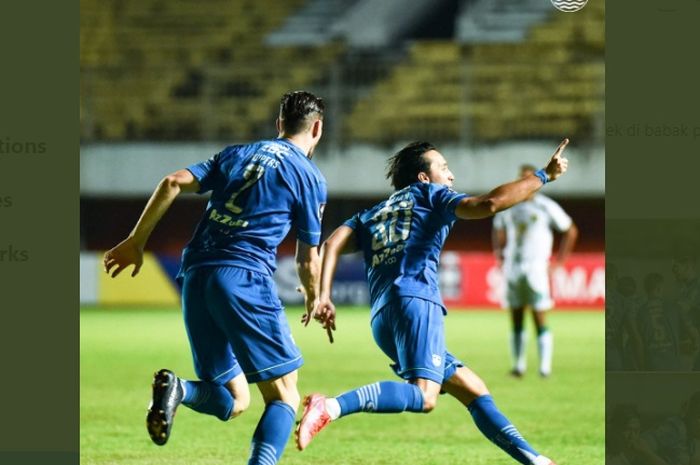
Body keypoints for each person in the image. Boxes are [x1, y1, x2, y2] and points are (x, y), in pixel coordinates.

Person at [295, 139, 570, 465]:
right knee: (425, 396)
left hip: (383, 318)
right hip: (415, 302)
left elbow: (332, 242)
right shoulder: (429, 195)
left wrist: (322, 293)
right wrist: (544, 175)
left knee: (473, 389)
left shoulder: (374, 212)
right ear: (423, 177)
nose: (451, 176)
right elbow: (490, 203)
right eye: (443, 167)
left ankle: (536, 461)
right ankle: (330, 406)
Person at [103, 91, 328, 465]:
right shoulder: (309, 177)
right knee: (286, 396)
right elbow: (308, 258)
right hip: (243, 276)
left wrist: (135, 242)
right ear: (317, 128)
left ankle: (179, 390)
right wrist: (313, 296)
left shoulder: (235, 153)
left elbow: (173, 181)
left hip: (196, 275)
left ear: (278, 125)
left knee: (234, 399)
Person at [491, 164, 578, 378]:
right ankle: (518, 366)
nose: (523, 183)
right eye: (520, 179)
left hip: (536, 268)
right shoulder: (509, 206)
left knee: (539, 316)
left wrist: (560, 262)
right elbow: (498, 228)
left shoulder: (545, 206)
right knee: (516, 316)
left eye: (527, 179)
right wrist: (499, 253)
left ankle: (544, 367)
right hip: (513, 267)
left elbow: (570, 230)